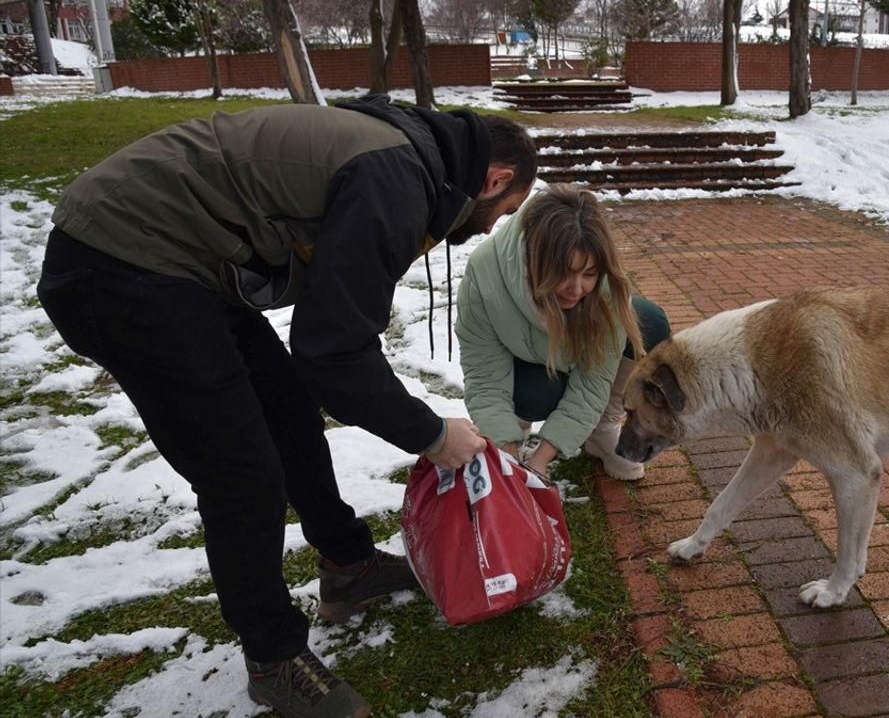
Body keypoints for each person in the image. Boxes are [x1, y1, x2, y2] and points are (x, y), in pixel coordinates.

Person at [36, 95, 537, 718]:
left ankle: (348, 565)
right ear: (496, 179)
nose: (489, 229)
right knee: (242, 473)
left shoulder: (406, 158)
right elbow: (334, 354)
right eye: (503, 213)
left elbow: (325, 344)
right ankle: (273, 659)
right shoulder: (396, 179)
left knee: (290, 414)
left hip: (185, 262)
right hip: (118, 263)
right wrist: (433, 434)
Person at [455, 184, 670, 482]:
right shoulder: (484, 273)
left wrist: (540, 462)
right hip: (526, 371)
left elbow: (593, 382)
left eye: (589, 274)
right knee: (535, 394)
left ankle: (602, 428)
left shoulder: (605, 282)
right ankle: (513, 430)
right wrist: (509, 457)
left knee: (649, 321)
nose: (577, 289)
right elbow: (485, 380)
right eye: (564, 273)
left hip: (573, 363)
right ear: (535, 260)